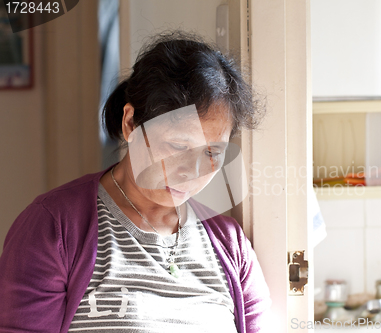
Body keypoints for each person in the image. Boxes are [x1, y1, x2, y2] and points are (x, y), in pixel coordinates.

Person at [0, 31, 271, 333]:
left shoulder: (230, 245)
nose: (191, 170)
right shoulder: (53, 227)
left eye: (212, 152)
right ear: (130, 123)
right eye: (179, 146)